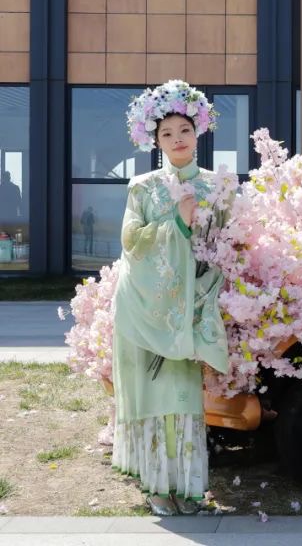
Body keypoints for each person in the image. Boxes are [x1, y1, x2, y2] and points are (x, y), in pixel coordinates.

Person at [111, 80, 230, 516]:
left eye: (184, 130)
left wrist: (204, 287)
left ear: (197, 132)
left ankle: (187, 487)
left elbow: (226, 245)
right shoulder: (142, 187)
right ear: (155, 140)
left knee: (182, 398)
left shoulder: (217, 187)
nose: (177, 139)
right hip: (143, 309)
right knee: (153, 399)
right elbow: (130, 243)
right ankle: (157, 486)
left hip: (190, 307)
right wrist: (176, 223)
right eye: (167, 133)